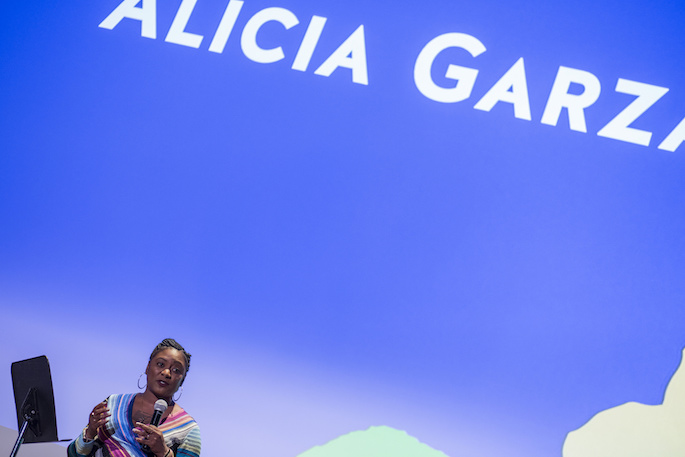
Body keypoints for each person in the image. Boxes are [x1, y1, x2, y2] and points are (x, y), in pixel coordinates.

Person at [68, 339, 201, 457]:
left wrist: (163, 452)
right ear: (148, 367)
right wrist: (90, 433)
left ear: (182, 380)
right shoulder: (114, 404)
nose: (166, 373)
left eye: (176, 370)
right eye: (161, 364)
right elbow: (73, 454)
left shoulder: (188, 429)